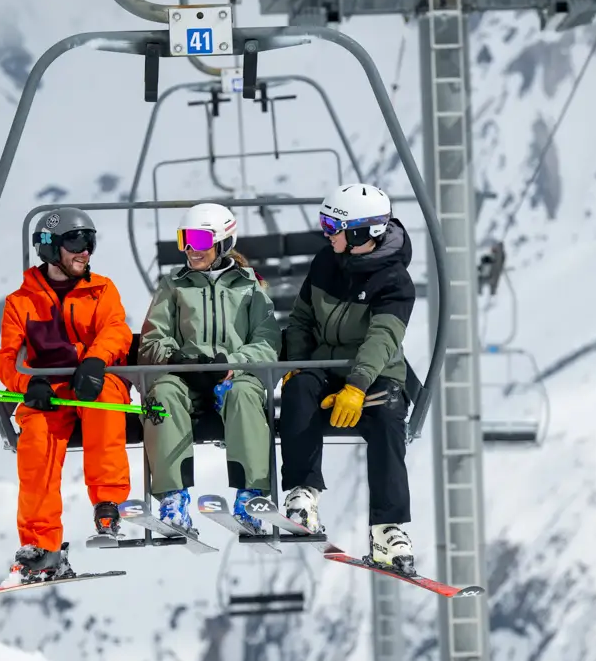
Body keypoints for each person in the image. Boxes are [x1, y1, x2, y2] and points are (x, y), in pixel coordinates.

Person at [278, 183, 418, 574]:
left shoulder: (394, 281)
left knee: (389, 414)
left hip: (375, 373)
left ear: (360, 232)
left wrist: (356, 387)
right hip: (324, 366)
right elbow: (302, 319)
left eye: (332, 225)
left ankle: (388, 528)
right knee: (299, 388)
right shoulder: (326, 262)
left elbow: (382, 339)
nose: (326, 233)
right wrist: (299, 364)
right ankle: (303, 494)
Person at [0, 207, 133, 586]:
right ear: (50, 249)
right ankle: (42, 549)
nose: (85, 252)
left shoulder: (101, 290)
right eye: (76, 243)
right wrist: (28, 385)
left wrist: (96, 359)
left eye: (89, 242)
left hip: (95, 382)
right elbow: (9, 358)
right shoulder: (21, 302)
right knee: (36, 444)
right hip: (49, 392)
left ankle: (108, 506)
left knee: (104, 403)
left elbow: (116, 330)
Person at [138, 203, 281, 532]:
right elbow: (152, 340)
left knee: (246, 394)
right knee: (162, 394)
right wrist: (179, 361)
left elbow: (266, 340)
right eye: (184, 240)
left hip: (231, 378)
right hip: (185, 378)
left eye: (199, 240)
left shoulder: (249, 287)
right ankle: (173, 499)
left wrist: (233, 363)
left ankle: (251, 496)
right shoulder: (174, 285)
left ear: (222, 242)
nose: (190, 249)